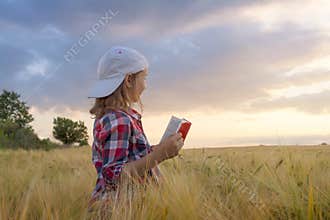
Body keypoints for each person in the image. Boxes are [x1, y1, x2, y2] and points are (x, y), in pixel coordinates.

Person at [87, 46, 184, 211]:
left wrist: (160, 149)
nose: (145, 86)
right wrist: (159, 155)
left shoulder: (114, 117)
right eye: (144, 78)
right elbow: (115, 178)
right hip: (120, 209)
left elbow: (130, 155)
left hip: (129, 206)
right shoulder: (119, 120)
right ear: (129, 80)